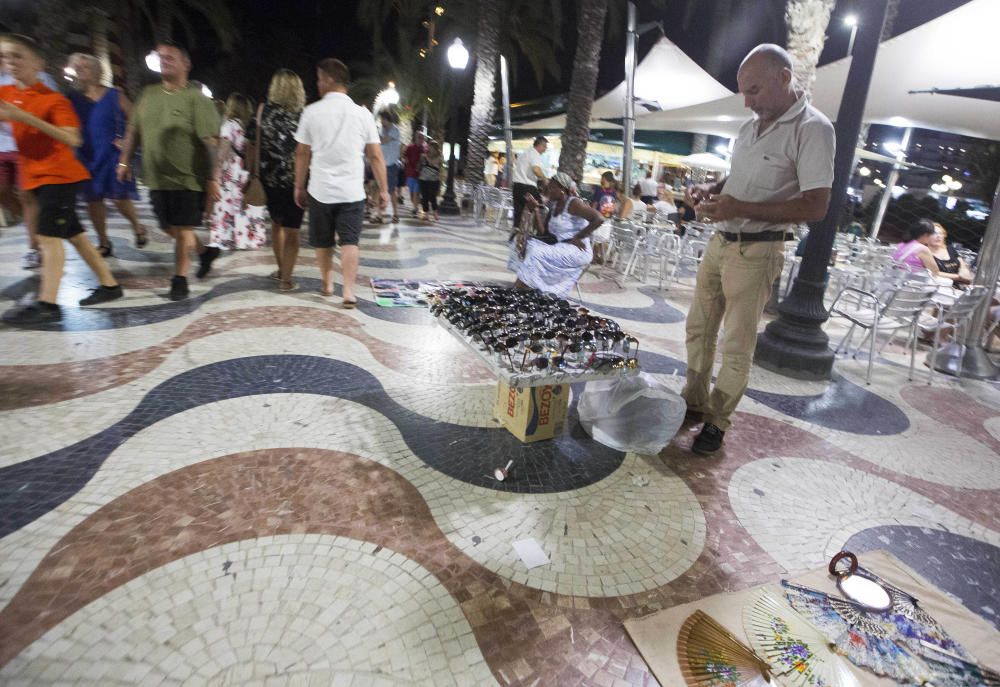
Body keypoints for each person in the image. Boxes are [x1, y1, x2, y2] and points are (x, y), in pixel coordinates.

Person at [682, 44, 835, 455]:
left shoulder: (813, 128)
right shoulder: (751, 127)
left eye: (754, 91)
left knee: (736, 342)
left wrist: (740, 207)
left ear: (784, 78)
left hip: (758, 251)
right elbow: (742, 175)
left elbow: (816, 205)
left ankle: (717, 422)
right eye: (743, 93)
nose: (747, 102)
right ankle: (692, 402)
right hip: (720, 242)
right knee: (698, 328)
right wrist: (713, 189)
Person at [0, 34, 123, 324]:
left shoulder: (53, 100)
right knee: (76, 237)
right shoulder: (8, 94)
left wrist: (25, 117)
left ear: (37, 63)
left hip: (59, 177)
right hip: (35, 179)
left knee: (48, 238)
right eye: (6, 57)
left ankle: (48, 304)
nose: (11, 62)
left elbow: (73, 137)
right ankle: (110, 285)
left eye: (18, 56)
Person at [117, 41, 223, 301]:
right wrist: (124, 161)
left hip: (188, 177)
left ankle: (180, 279)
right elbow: (133, 130)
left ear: (186, 64)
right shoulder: (148, 95)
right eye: (160, 57)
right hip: (155, 176)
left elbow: (211, 143)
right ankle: (204, 252)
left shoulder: (196, 99)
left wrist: (213, 178)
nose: (164, 60)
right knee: (168, 227)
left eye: (170, 57)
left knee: (183, 228)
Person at [294, 57, 387, 307]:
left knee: (322, 240)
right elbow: (376, 155)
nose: (317, 83)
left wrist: (298, 186)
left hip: (320, 189)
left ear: (328, 80)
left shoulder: (311, 112)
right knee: (349, 241)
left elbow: (302, 152)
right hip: (352, 191)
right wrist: (384, 190)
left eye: (319, 79)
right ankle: (347, 291)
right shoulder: (362, 114)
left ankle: (326, 283)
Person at [66, 52, 148, 256]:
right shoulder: (72, 98)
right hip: (86, 155)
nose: (80, 71)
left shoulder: (114, 95)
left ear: (97, 71)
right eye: (77, 67)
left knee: (120, 198)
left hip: (112, 154)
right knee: (93, 200)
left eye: (85, 67)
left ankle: (137, 226)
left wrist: (127, 143)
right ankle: (104, 242)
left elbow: (136, 120)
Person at [0, 32, 58, 270]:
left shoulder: (39, 77)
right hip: (2, 145)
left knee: (27, 195)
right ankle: (34, 222)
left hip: (28, 146)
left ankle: (35, 247)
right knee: (2, 192)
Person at [246, 68, 305, 291]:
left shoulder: (262, 112)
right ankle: (287, 280)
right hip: (296, 181)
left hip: (267, 180)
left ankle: (281, 269)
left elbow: (250, 144)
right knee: (293, 230)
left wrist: (251, 172)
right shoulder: (304, 115)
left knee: (276, 224)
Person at [513, 172, 603, 298]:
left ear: (562, 190)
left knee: (536, 253)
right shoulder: (554, 205)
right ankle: (529, 287)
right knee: (528, 245)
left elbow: (598, 219)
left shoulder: (574, 203)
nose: (548, 190)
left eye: (552, 188)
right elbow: (543, 232)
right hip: (561, 246)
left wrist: (578, 237)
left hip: (578, 250)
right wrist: (536, 210)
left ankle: (520, 288)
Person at [207, 93, 267, 251]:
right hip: (243, 171)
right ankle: (243, 238)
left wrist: (216, 176)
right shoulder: (245, 126)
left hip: (231, 171)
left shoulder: (228, 125)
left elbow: (222, 153)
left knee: (225, 203)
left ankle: (226, 238)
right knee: (241, 204)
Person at [511, 136, 547, 230]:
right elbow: (536, 169)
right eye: (545, 147)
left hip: (517, 186)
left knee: (518, 211)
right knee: (542, 208)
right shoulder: (535, 154)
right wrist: (544, 179)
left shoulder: (524, 153)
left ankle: (516, 231)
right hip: (527, 187)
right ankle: (539, 232)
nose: (545, 149)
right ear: (540, 145)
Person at [376, 109, 400, 224]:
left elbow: (383, 141)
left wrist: (375, 139)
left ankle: (396, 214)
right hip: (381, 165)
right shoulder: (381, 129)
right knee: (379, 189)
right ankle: (379, 215)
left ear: (387, 119)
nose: (381, 122)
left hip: (391, 165)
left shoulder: (394, 130)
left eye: (382, 120)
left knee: (391, 191)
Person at [418, 139, 442, 222]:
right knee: (424, 197)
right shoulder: (424, 156)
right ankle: (426, 214)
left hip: (434, 180)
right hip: (423, 179)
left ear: (435, 149)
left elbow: (433, 162)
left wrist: (426, 157)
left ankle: (435, 212)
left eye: (431, 147)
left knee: (432, 197)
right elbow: (419, 166)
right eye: (429, 147)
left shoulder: (438, 156)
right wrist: (421, 160)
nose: (429, 149)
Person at [402, 130, 425, 216]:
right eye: (419, 137)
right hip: (410, 173)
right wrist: (406, 160)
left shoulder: (424, 148)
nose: (421, 139)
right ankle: (415, 205)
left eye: (422, 138)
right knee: (412, 193)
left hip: (419, 174)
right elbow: (404, 155)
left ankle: (415, 208)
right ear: (416, 137)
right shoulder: (410, 147)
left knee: (416, 192)